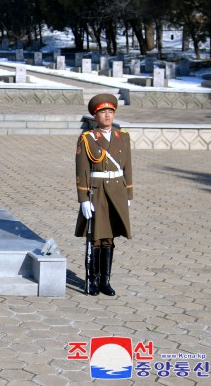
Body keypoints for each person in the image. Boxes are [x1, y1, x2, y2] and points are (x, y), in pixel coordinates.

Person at [74, 93, 133, 296]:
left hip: (116, 191)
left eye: (110, 112)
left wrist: (129, 193)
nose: (107, 116)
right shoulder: (88, 138)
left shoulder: (123, 136)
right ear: (95, 116)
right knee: (95, 238)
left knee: (109, 237)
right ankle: (92, 280)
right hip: (97, 192)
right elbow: (81, 170)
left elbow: (128, 167)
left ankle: (105, 281)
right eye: (102, 112)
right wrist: (83, 199)